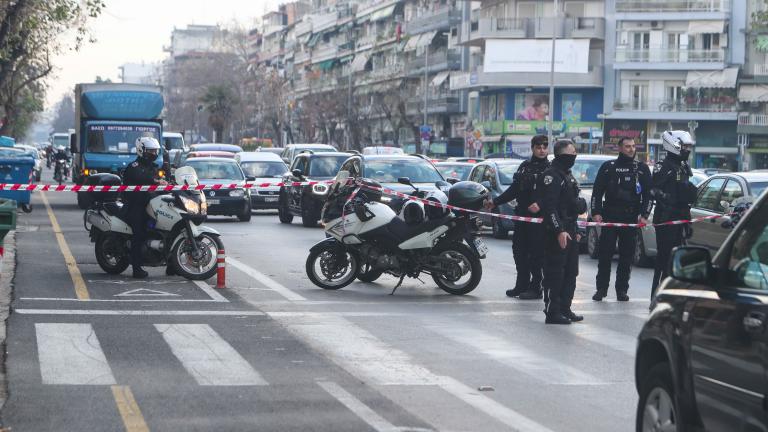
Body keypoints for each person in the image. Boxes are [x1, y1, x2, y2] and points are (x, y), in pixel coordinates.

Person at [484, 135, 550, 300]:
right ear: (532, 148)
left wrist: (540, 204)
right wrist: (495, 202)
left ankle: (536, 287)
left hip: (539, 220)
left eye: (544, 147)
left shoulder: (550, 169)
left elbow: (554, 194)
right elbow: (514, 189)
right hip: (522, 217)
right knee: (519, 252)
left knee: (536, 255)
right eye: (538, 147)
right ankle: (521, 285)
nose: (542, 150)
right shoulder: (525, 166)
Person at [590, 137, 652, 302]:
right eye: (627, 146)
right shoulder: (608, 167)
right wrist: (596, 212)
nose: (631, 149)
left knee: (627, 256)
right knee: (605, 255)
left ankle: (622, 290)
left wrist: (644, 215)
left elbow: (648, 195)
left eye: (633, 146)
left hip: (631, 217)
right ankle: (601, 289)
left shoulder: (641, 168)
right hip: (610, 216)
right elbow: (597, 192)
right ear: (619, 148)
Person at [538, 139, 586, 324]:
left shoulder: (567, 175)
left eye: (575, 154)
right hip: (556, 232)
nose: (573, 157)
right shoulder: (551, 176)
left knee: (571, 272)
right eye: (571, 154)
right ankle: (553, 311)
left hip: (571, 229)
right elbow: (549, 208)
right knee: (555, 272)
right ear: (561, 155)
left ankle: (565, 308)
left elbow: (574, 204)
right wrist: (559, 230)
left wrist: (576, 229)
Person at [650, 130, 698, 299]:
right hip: (666, 219)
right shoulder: (664, 166)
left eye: (688, 147)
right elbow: (653, 189)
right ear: (675, 145)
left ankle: (673, 294)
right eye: (684, 146)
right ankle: (656, 296)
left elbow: (685, 191)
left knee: (678, 260)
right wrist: (665, 199)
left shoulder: (683, 166)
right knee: (663, 260)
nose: (687, 150)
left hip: (681, 217)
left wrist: (688, 220)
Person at [122, 137, 166, 279]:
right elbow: (140, 177)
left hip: (150, 204)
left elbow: (158, 180)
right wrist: (156, 181)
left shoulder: (152, 167)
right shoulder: (134, 166)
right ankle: (136, 268)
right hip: (135, 205)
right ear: (142, 151)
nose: (153, 154)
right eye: (151, 151)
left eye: (155, 151)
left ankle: (171, 265)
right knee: (139, 233)